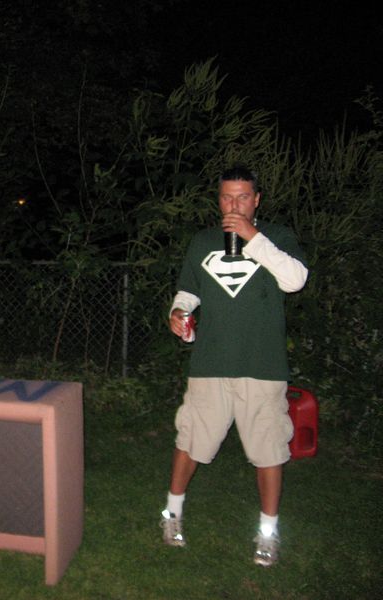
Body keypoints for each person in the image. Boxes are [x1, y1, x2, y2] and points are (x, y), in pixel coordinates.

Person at [159, 166, 308, 567]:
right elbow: (188, 291)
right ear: (218, 199)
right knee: (192, 441)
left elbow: (295, 280)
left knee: (268, 451)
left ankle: (268, 534)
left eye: (243, 197)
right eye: (227, 197)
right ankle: (171, 515)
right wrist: (178, 312)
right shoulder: (203, 241)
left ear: (256, 200)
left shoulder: (277, 236)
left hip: (263, 366)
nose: (234, 205)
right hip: (210, 363)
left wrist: (252, 237)